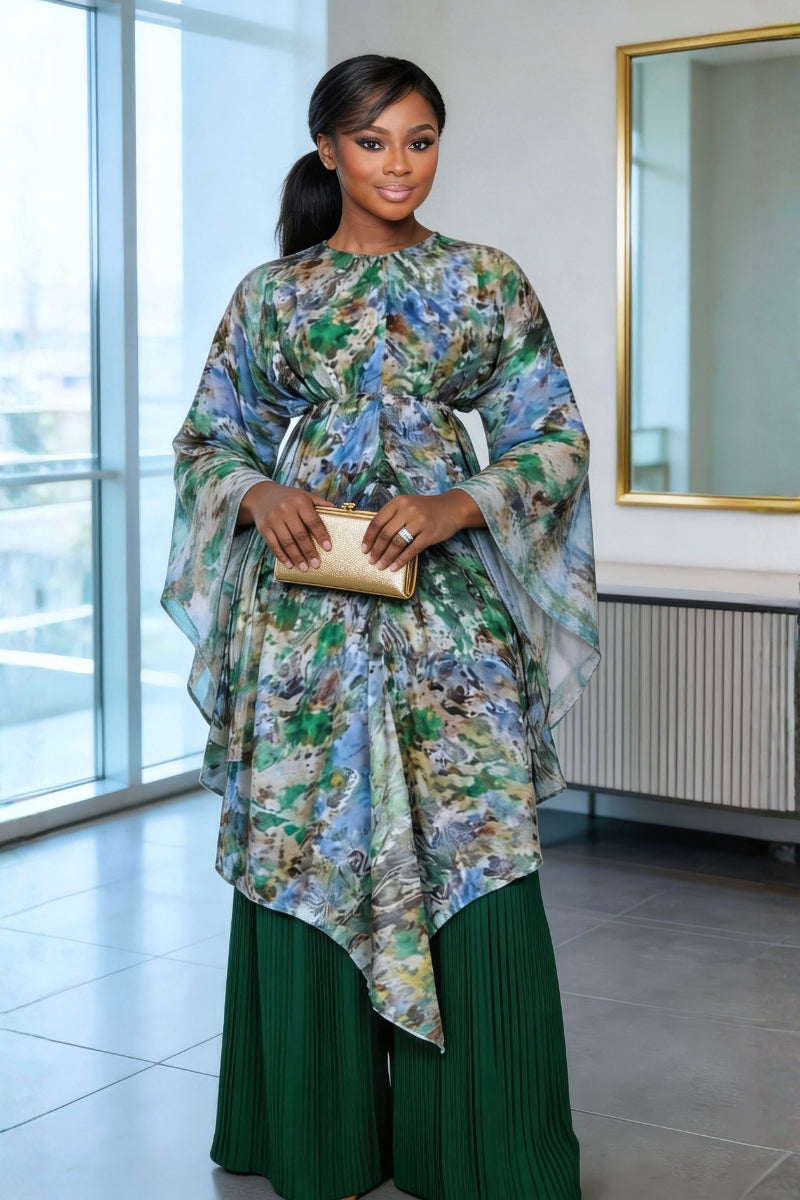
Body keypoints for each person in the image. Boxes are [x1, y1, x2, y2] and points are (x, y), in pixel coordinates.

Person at [162, 53, 599, 1200]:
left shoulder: (485, 282)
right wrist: (257, 494)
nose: (398, 164)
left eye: (418, 140)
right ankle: (318, 1136)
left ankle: (482, 1146)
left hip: (448, 625)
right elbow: (208, 440)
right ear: (327, 151)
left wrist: (462, 501)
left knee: (478, 848)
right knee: (312, 843)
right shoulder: (272, 294)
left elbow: (552, 438)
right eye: (372, 142)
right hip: (304, 623)